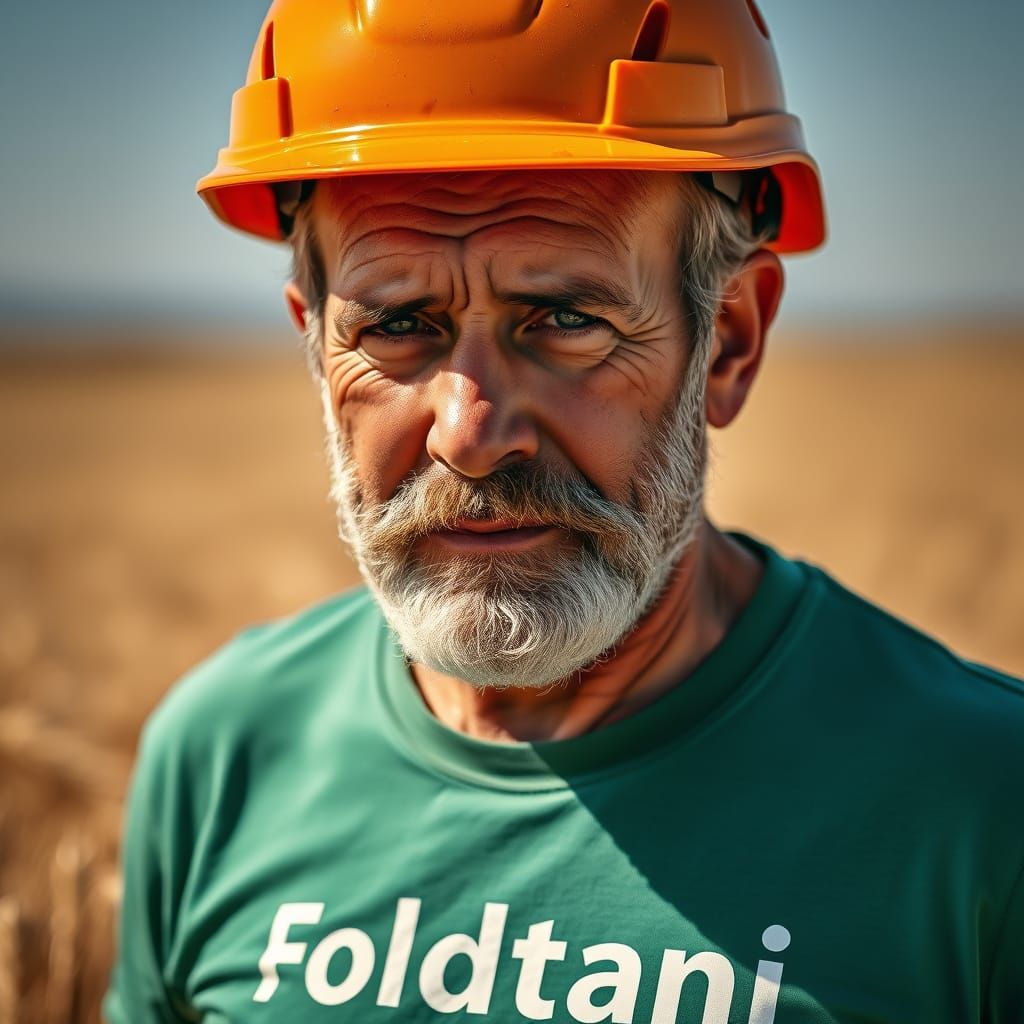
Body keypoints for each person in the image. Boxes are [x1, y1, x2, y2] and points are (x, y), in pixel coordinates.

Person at [105, 1, 1023, 1021]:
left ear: (726, 342)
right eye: (398, 326)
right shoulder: (222, 754)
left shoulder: (983, 806)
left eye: (568, 320)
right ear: (315, 352)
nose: (471, 431)